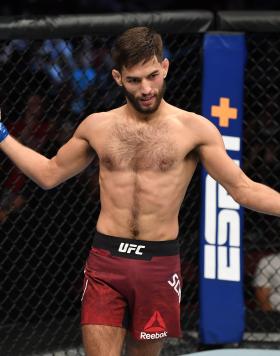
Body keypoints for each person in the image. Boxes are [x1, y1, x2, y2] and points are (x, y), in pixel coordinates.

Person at [0, 26, 280, 356]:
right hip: (106, 262)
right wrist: (2, 133)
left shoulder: (194, 130)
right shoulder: (97, 126)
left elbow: (242, 189)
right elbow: (48, 175)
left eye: (152, 76)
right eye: (134, 80)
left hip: (158, 265)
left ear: (165, 68)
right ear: (118, 78)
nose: (146, 89)